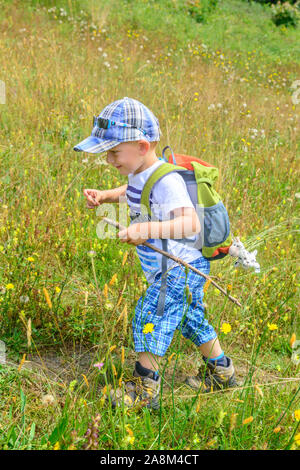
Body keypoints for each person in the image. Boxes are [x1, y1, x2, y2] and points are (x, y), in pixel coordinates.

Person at [74, 97, 237, 409]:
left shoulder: (169, 181)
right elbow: (135, 191)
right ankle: (222, 373)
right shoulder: (141, 172)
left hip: (180, 266)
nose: (109, 159)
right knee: (192, 319)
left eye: (113, 152)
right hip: (174, 267)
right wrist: (107, 195)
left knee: (151, 317)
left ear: (142, 146)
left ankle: (143, 391)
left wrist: (144, 230)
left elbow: (189, 223)